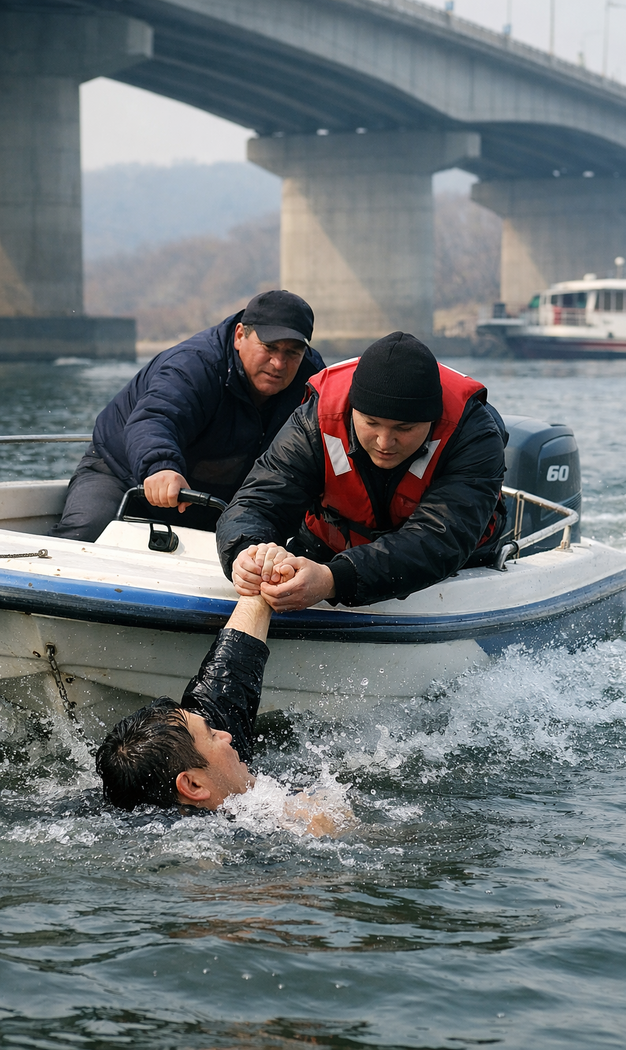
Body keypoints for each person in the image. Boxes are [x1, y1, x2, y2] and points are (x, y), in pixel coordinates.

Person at [217, 332, 507, 611]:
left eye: (404, 428)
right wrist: (247, 553)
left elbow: (440, 538)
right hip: (325, 550)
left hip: (451, 567)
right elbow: (258, 502)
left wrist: (333, 580)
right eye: (371, 423)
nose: (384, 442)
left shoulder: (473, 435)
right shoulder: (316, 420)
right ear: (352, 409)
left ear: (433, 420)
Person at [96, 551, 348, 834]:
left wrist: (265, 571)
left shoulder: (193, 764)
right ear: (193, 785)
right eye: (213, 735)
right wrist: (327, 825)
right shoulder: (226, 847)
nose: (226, 735)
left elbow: (231, 667)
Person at [53, 290, 324, 541]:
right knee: (84, 536)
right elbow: (155, 418)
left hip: (227, 498)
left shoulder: (314, 381)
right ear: (240, 335)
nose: (279, 363)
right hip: (120, 472)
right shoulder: (195, 365)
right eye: (269, 347)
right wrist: (161, 468)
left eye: (292, 352)